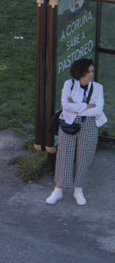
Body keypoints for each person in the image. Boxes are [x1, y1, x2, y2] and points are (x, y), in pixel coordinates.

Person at [46, 58, 106, 206]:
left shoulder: (98, 88)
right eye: (87, 72)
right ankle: (58, 189)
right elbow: (66, 105)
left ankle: (78, 189)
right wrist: (87, 106)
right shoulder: (69, 84)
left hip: (89, 125)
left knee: (85, 157)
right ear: (79, 73)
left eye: (92, 71)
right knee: (64, 155)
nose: (90, 74)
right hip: (69, 124)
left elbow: (98, 109)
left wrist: (77, 106)